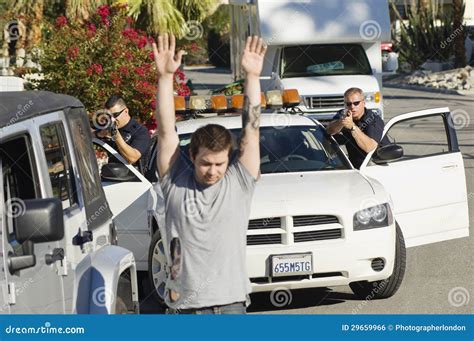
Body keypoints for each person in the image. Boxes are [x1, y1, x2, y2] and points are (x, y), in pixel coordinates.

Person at [153, 33, 266, 314]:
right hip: (186, 309)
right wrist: (166, 78)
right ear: (192, 157)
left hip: (231, 306)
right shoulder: (175, 181)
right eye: (205, 163)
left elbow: (251, 130)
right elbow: (167, 131)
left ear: (229, 159)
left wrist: (252, 76)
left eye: (220, 164)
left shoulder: (239, 182)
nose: (213, 171)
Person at [326, 87, 389, 169]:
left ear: (363, 102)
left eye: (356, 103)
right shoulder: (343, 115)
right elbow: (328, 131)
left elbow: (370, 147)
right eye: (348, 104)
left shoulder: (373, 119)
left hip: (376, 165)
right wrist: (341, 122)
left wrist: (353, 127)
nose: (352, 107)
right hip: (354, 167)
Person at [95, 94, 151, 168]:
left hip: (132, 178)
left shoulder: (140, 131)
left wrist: (115, 134)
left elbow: (132, 158)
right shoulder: (108, 128)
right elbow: (86, 136)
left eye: (115, 115)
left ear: (126, 111)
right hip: (111, 175)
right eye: (108, 116)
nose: (112, 119)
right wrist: (98, 134)